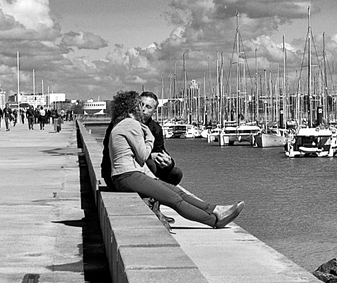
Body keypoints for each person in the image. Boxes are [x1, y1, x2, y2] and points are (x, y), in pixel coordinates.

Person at [104, 90, 243, 228]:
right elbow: (143, 156)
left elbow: (136, 159)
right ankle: (214, 221)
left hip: (129, 175)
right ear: (133, 108)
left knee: (178, 192)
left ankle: (215, 209)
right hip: (128, 175)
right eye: (140, 105)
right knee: (174, 199)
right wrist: (149, 139)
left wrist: (154, 179)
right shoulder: (131, 124)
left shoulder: (123, 124)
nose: (143, 109)